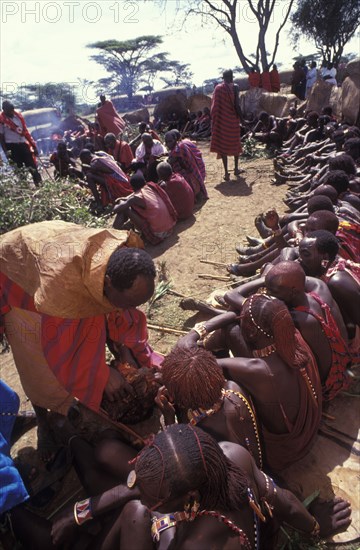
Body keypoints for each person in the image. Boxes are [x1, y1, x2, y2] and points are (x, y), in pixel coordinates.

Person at [10, 425, 352, 549]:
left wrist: (88, 514)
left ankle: (13, 515)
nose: (138, 492)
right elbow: (285, 503)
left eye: (152, 495)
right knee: (128, 507)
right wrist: (316, 525)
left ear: (188, 498)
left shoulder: (196, 544)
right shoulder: (230, 457)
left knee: (132, 513)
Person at [0, 220, 156, 458]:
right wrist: (101, 374)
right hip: (18, 273)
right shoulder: (60, 292)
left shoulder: (121, 259)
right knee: (36, 366)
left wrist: (123, 352)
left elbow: (116, 315)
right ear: (108, 283)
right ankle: (44, 420)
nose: (130, 309)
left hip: (53, 246)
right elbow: (64, 351)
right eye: (127, 303)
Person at [179, 294, 322, 473]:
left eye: (244, 321)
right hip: (308, 431)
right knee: (231, 331)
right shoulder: (290, 335)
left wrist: (201, 329)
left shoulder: (257, 370)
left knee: (213, 376)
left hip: (281, 453)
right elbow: (235, 303)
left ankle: (209, 345)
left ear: (253, 332)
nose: (241, 321)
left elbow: (186, 349)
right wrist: (229, 317)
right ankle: (213, 340)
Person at [157, 345, 262, 468]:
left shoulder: (197, 433)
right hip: (256, 466)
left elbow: (178, 462)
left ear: (181, 400)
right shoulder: (233, 388)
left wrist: (169, 418)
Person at [264, 261, 352, 400]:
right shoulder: (318, 286)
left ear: (292, 291)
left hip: (326, 385)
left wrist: (260, 281)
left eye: (273, 291)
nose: (268, 294)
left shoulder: (298, 318)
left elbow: (232, 296)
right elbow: (298, 274)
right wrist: (269, 277)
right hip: (344, 362)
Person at [298, 230, 360, 348]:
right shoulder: (327, 267)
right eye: (300, 254)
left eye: (306, 255)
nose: (300, 259)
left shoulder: (337, 283)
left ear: (324, 257)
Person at [113, 172, 177, 245]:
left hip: (159, 233)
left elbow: (115, 209)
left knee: (125, 209)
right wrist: (125, 199)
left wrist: (120, 201)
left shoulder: (135, 198)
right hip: (170, 226)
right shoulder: (150, 187)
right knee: (127, 206)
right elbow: (133, 196)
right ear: (144, 182)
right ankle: (118, 231)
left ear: (133, 187)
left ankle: (115, 233)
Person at [210, 69, 242, 181]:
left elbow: (214, 108)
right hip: (233, 121)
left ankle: (226, 173)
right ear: (232, 77)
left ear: (223, 78)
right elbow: (237, 105)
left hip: (222, 122)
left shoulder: (218, 89)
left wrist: (215, 122)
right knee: (236, 143)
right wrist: (242, 118)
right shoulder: (235, 87)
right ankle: (236, 169)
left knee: (223, 145)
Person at [0, 100, 42, 185]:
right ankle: (25, 189)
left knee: (32, 166)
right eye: (9, 110)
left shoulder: (18, 117)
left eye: (12, 109)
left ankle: (40, 185)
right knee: (19, 170)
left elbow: (25, 132)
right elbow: (1, 137)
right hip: (12, 147)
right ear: (4, 110)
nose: (11, 112)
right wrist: (6, 152)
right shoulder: (1, 120)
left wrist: (34, 146)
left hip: (23, 145)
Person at [165, 130, 208, 199]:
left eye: (170, 141)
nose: (168, 144)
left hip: (196, 173)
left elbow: (172, 162)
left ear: (176, 140)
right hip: (199, 169)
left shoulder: (180, 148)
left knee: (173, 169)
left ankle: (192, 192)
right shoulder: (182, 144)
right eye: (166, 142)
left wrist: (172, 160)